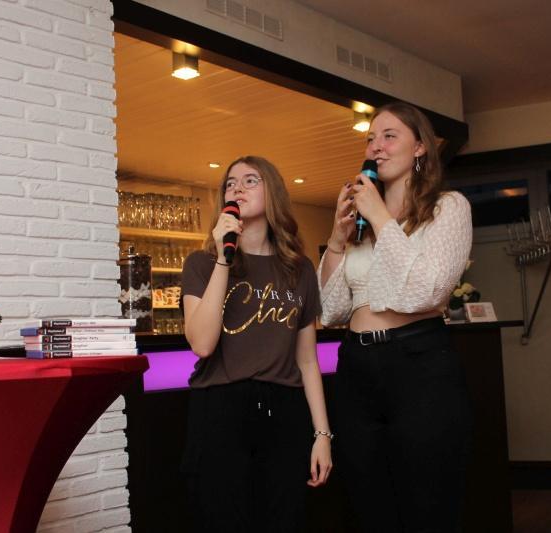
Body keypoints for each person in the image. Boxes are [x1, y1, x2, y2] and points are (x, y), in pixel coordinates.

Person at [318, 102, 473, 533]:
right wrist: (337, 240)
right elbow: (330, 310)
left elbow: (430, 290)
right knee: (367, 503)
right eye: (370, 138)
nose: (376, 147)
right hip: (355, 368)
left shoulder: (447, 208)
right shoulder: (362, 224)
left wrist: (381, 216)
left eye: (389, 136)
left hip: (419, 364)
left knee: (427, 503)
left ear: (420, 146)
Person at [181, 155, 333, 533]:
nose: (237, 188)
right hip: (220, 408)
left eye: (250, 180)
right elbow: (202, 344)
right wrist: (223, 258)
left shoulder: (299, 268)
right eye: (230, 183)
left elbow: (307, 361)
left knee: (285, 519)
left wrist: (322, 435)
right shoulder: (201, 263)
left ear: (273, 193)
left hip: (285, 410)